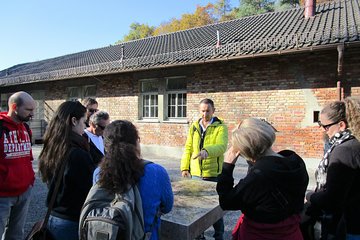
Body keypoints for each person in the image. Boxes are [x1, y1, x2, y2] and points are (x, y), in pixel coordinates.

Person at [216, 118, 309, 240]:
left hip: (261, 235)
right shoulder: (295, 161)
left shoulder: (259, 176)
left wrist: (227, 166)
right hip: (292, 233)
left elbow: (226, 201)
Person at [93, 120, 173, 240]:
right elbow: (167, 207)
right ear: (136, 142)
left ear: (106, 146)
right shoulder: (156, 172)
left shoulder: (98, 173)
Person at [38, 101, 95, 240]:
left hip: (53, 216)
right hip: (70, 220)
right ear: (74, 121)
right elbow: (89, 189)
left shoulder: (53, 147)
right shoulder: (77, 154)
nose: (86, 126)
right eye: (84, 121)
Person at [306, 97, 360, 239]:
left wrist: (309, 196)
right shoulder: (355, 143)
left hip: (350, 225)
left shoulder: (344, 150)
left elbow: (332, 199)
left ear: (341, 125)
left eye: (326, 126)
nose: (324, 131)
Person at [180, 98, 228, 240]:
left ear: (213, 111)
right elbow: (188, 148)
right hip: (196, 174)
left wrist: (207, 151)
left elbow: (222, 146)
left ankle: (218, 236)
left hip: (213, 174)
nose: (205, 114)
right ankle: (198, 235)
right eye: (202, 110)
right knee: (196, 209)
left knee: (215, 210)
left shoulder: (220, 126)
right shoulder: (194, 126)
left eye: (208, 111)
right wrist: (185, 167)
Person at [0, 91, 36, 240]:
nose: (32, 114)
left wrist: (30, 181)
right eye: (28, 110)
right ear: (14, 107)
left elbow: (28, 158)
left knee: (16, 234)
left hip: (24, 192)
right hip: (2, 195)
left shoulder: (26, 129)